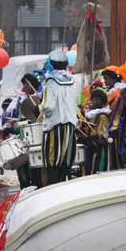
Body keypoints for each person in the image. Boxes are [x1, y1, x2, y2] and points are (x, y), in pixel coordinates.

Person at [39, 50, 78, 185]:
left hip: (54, 127)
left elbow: (48, 107)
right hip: (70, 126)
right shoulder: (73, 81)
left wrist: (39, 108)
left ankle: (52, 192)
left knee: (52, 162)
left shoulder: (51, 83)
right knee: (66, 163)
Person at [102, 64, 126, 170]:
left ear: (115, 79)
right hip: (110, 126)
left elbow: (111, 109)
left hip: (116, 128)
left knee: (115, 155)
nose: (105, 82)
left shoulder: (118, 94)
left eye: (107, 79)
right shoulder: (111, 91)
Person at [83, 86, 110, 175]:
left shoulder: (102, 116)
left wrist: (95, 137)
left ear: (103, 103)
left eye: (98, 100)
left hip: (99, 149)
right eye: (94, 99)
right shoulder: (91, 115)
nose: (95, 102)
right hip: (91, 148)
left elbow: (105, 136)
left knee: (97, 172)